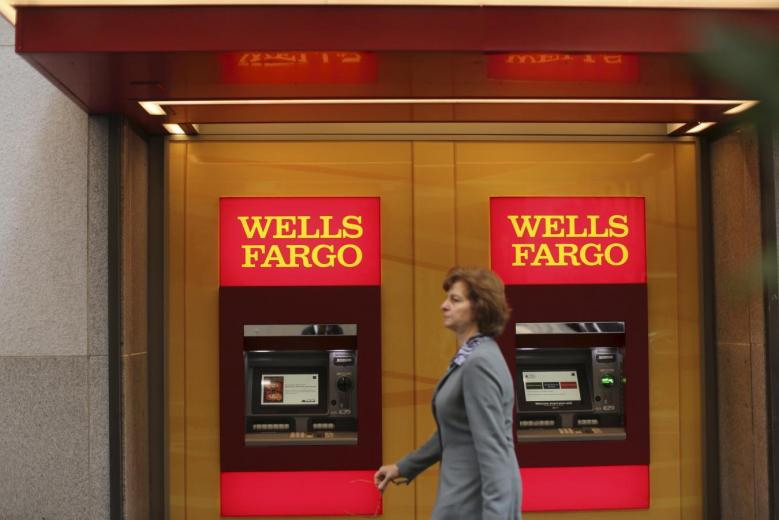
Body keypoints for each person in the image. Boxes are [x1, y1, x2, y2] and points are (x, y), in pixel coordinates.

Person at [374, 266, 522, 520]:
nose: (444, 306)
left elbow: (493, 450)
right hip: (464, 497)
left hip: (472, 501)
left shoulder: (479, 363)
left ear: (479, 307)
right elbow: (453, 429)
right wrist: (404, 467)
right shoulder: (473, 355)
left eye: (455, 300)